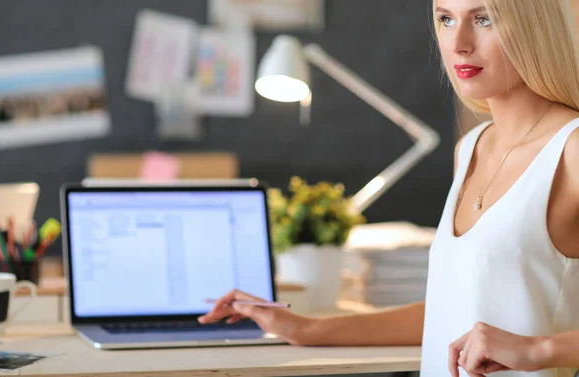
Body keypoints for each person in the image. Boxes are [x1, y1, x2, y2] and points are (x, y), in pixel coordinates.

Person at [199, 0, 579, 375]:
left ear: (534, 28)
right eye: (446, 19)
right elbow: (449, 309)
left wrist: (539, 348)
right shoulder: (471, 148)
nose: (458, 42)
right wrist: (304, 327)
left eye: (484, 18)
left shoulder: (572, 149)